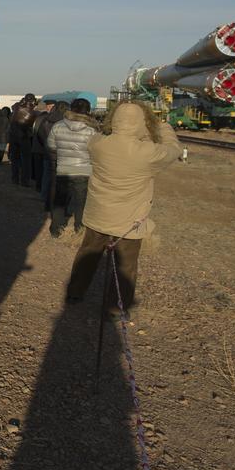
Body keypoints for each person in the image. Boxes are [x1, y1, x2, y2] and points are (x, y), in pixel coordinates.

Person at [64, 102, 181, 325]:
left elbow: (107, 134)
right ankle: (116, 308)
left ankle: (75, 292)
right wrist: (163, 127)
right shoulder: (147, 153)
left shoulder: (98, 143)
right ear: (142, 123)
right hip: (129, 220)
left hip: (99, 213)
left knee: (88, 253)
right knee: (126, 264)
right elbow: (173, 150)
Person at [45, 98, 99, 236]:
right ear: (88, 111)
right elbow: (97, 151)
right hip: (83, 169)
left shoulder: (58, 126)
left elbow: (51, 146)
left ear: (71, 109)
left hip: (63, 167)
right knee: (81, 201)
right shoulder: (92, 130)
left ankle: (55, 228)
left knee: (60, 200)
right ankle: (79, 228)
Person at [36, 101, 67, 210]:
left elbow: (40, 133)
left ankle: (44, 196)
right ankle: (57, 200)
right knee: (59, 178)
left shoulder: (46, 119)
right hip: (61, 153)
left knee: (47, 175)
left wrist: (46, 144)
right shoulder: (65, 122)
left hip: (48, 150)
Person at [9, 93, 38, 186]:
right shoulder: (34, 112)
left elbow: (13, 106)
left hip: (13, 136)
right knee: (26, 160)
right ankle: (25, 181)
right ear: (33, 101)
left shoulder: (17, 107)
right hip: (24, 137)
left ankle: (15, 179)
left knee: (15, 159)